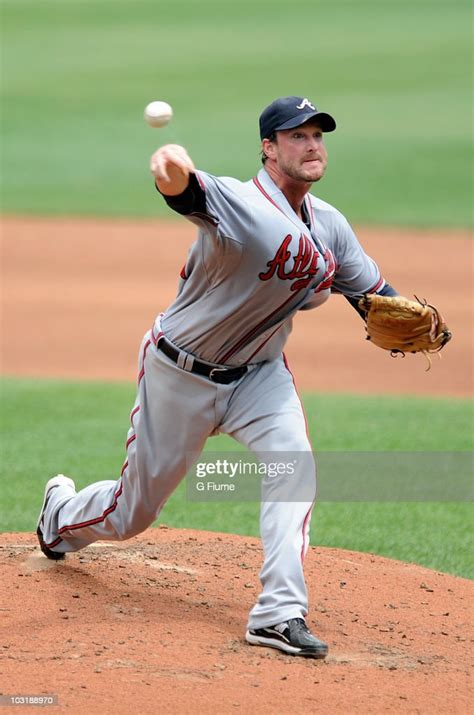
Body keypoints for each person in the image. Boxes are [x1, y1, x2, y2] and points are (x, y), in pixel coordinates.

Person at [37, 96, 398, 659]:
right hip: (181, 373)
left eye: (317, 136)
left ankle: (278, 614)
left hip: (260, 376)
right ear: (268, 147)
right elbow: (184, 190)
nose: (311, 145)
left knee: (293, 463)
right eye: (296, 136)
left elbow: (373, 295)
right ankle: (60, 516)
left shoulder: (329, 224)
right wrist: (171, 165)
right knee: (134, 513)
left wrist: (418, 320)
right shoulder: (239, 202)